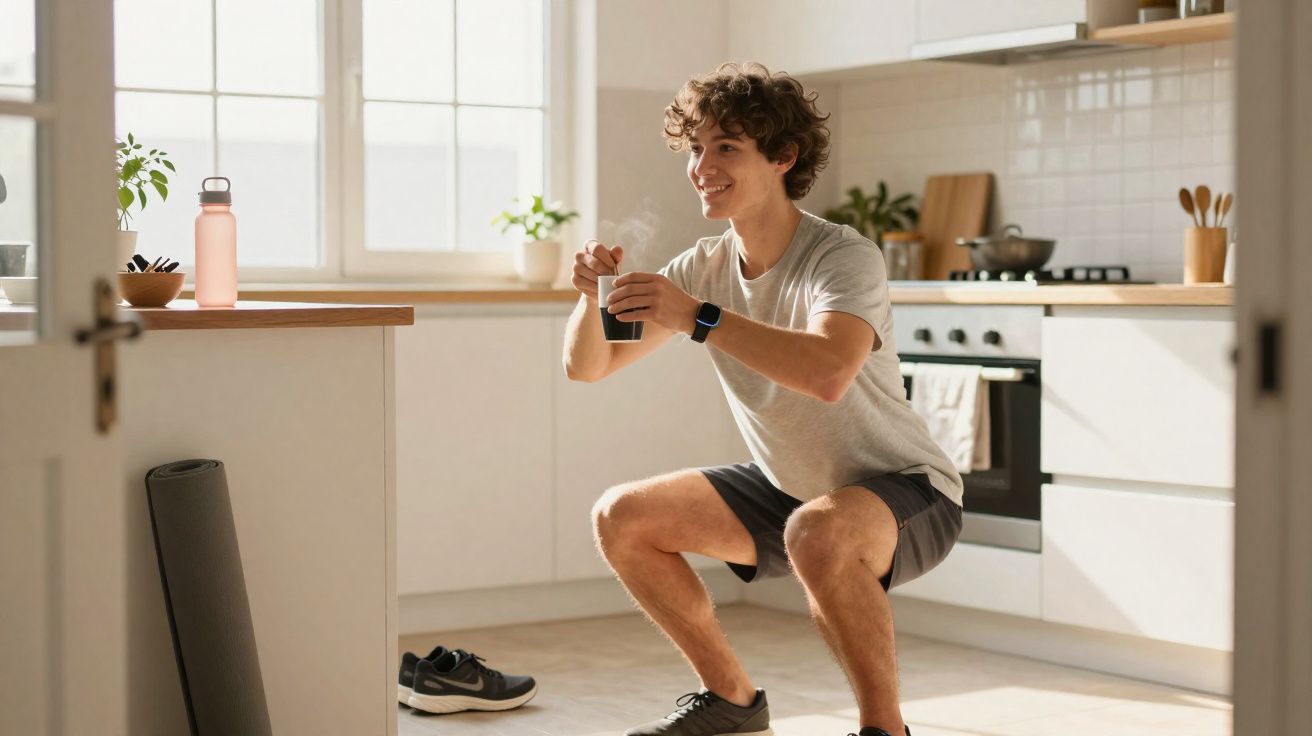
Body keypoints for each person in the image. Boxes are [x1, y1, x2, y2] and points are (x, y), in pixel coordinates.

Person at [562, 62, 963, 736]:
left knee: (818, 531)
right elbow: (588, 368)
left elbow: (830, 372)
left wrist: (699, 318)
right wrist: (585, 298)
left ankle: (882, 730)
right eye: (695, 148)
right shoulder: (703, 265)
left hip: (904, 489)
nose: (701, 166)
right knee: (621, 517)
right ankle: (730, 703)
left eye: (726, 148)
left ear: (783, 157)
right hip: (790, 488)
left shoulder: (842, 256)